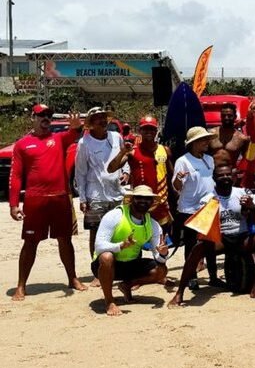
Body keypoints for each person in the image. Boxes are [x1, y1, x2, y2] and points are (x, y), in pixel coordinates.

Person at [9, 105, 87, 301]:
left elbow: (74, 134)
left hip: (60, 197)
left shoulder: (59, 139)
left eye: (48, 115)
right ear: (32, 117)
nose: (45, 118)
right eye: (41, 115)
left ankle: (72, 278)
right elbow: (16, 176)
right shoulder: (22, 144)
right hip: (35, 200)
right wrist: (13, 204)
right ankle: (21, 285)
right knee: (30, 242)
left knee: (65, 240)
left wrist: (77, 127)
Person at [168, 165, 255, 306]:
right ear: (214, 178)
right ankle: (180, 292)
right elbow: (204, 228)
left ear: (233, 177)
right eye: (221, 175)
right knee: (197, 249)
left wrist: (251, 207)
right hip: (221, 239)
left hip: (242, 237)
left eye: (228, 174)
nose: (225, 178)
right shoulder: (208, 198)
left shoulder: (242, 193)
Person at [92, 186, 169, 316]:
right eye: (139, 197)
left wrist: (163, 253)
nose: (143, 201)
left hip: (131, 264)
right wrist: (121, 246)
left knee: (161, 270)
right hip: (106, 265)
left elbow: (159, 257)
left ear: (152, 202)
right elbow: (99, 246)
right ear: (132, 199)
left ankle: (127, 285)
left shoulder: (154, 225)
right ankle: (109, 301)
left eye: (147, 199)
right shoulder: (115, 215)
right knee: (106, 257)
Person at [75, 107, 126, 285]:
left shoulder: (116, 137)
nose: (102, 121)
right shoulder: (84, 143)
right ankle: (98, 271)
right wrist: (82, 198)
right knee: (96, 233)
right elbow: (80, 172)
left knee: (118, 231)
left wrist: (126, 172)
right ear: (91, 123)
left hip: (117, 192)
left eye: (104, 117)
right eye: (98, 118)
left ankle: (117, 268)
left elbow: (124, 156)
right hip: (95, 194)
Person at [108, 116, 174, 230]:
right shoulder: (132, 151)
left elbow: (171, 176)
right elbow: (111, 169)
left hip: (160, 202)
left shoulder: (165, 150)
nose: (149, 132)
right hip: (140, 202)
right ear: (140, 131)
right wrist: (122, 152)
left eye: (152, 129)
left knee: (160, 236)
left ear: (156, 131)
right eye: (145, 129)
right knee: (138, 235)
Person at [173, 126, 216, 289]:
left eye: (207, 139)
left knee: (210, 244)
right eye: (203, 140)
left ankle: (213, 276)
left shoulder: (209, 159)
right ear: (194, 143)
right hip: (189, 209)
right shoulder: (183, 161)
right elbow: (177, 187)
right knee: (191, 245)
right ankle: (191, 277)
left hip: (208, 207)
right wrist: (178, 179)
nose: (206, 142)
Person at [208, 102, 253, 168]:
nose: (226, 118)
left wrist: (238, 169)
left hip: (231, 172)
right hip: (211, 171)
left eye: (229, 116)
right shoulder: (211, 134)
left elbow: (247, 159)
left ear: (235, 117)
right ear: (220, 116)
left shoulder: (242, 138)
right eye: (223, 115)